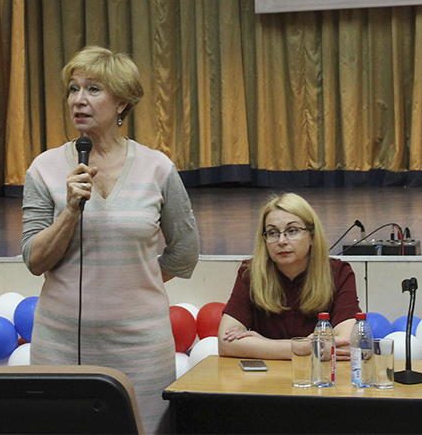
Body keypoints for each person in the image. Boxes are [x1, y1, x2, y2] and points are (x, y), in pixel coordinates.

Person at [21, 45, 200, 434]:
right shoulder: (44, 168)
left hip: (141, 348)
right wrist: (70, 210)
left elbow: (185, 252)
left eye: (93, 89)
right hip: (60, 345)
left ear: (122, 102)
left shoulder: (157, 167)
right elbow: (34, 259)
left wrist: (132, 280)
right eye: (73, 89)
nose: (78, 100)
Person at [218, 192, 360, 359]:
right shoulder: (250, 273)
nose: (282, 241)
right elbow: (225, 343)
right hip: (267, 374)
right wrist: (303, 347)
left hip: (320, 373)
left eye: (292, 231)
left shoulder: (339, 273)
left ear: (312, 236)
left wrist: (263, 344)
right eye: (272, 233)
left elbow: (346, 342)